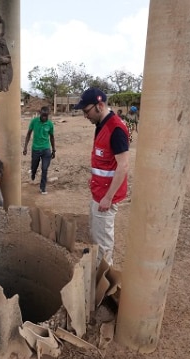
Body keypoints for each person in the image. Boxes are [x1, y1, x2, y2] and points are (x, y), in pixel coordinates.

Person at [74, 88, 130, 266]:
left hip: (106, 197)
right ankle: (96, 262)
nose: (85, 116)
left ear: (100, 105)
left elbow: (123, 165)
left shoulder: (116, 129)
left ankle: (103, 284)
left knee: (104, 243)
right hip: (98, 192)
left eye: (86, 111)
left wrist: (108, 197)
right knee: (96, 234)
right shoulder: (101, 125)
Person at [23, 106, 56, 194]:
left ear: (48, 115)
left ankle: (43, 187)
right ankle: (33, 173)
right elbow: (28, 134)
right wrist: (25, 147)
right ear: (40, 113)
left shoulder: (50, 124)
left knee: (44, 169)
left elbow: (52, 137)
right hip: (36, 149)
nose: (44, 118)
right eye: (43, 115)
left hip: (46, 149)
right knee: (34, 166)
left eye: (46, 116)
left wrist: (54, 150)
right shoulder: (34, 121)